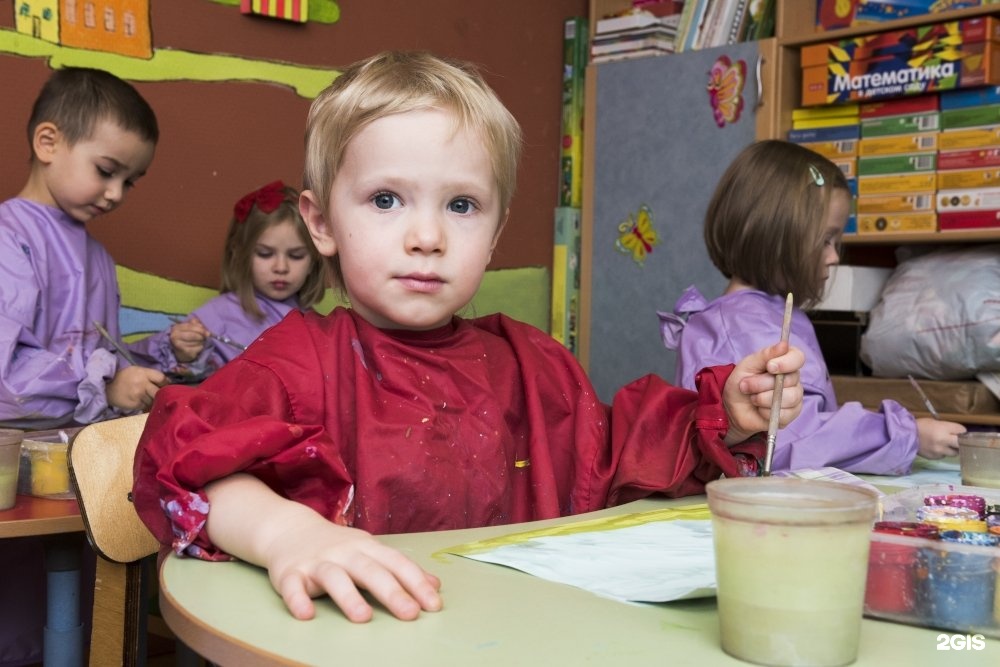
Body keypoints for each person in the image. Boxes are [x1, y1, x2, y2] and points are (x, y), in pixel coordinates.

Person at [133, 51, 805, 625]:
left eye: (461, 205)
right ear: (321, 221)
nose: (427, 236)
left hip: (511, 639)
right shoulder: (298, 361)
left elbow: (616, 458)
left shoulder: (529, 361)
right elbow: (186, 460)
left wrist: (729, 417)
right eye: (386, 199)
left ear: (495, 231)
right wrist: (289, 535)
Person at [659, 139, 965, 476]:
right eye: (825, 240)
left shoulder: (771, 314)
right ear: (774, 235)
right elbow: (791, 440)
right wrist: (906, 434)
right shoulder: (738, 328)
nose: (834, 257)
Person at [0, 66, 165, 429]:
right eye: (106, 171)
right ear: (48, 143)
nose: (116, 194)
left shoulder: (99, 260)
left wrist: (149, 371)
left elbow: (108, 358)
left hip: (75, 456)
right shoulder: (8, 240)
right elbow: (4, 380)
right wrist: (103, 389)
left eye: (130, 182)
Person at [130, 180, 327, 380]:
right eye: (265, 253)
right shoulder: (215, 317)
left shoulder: (318, 323)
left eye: (296, 256)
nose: (281, 267)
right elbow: (171, 373)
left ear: (314, 260)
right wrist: (182, 351)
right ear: (239, 253)